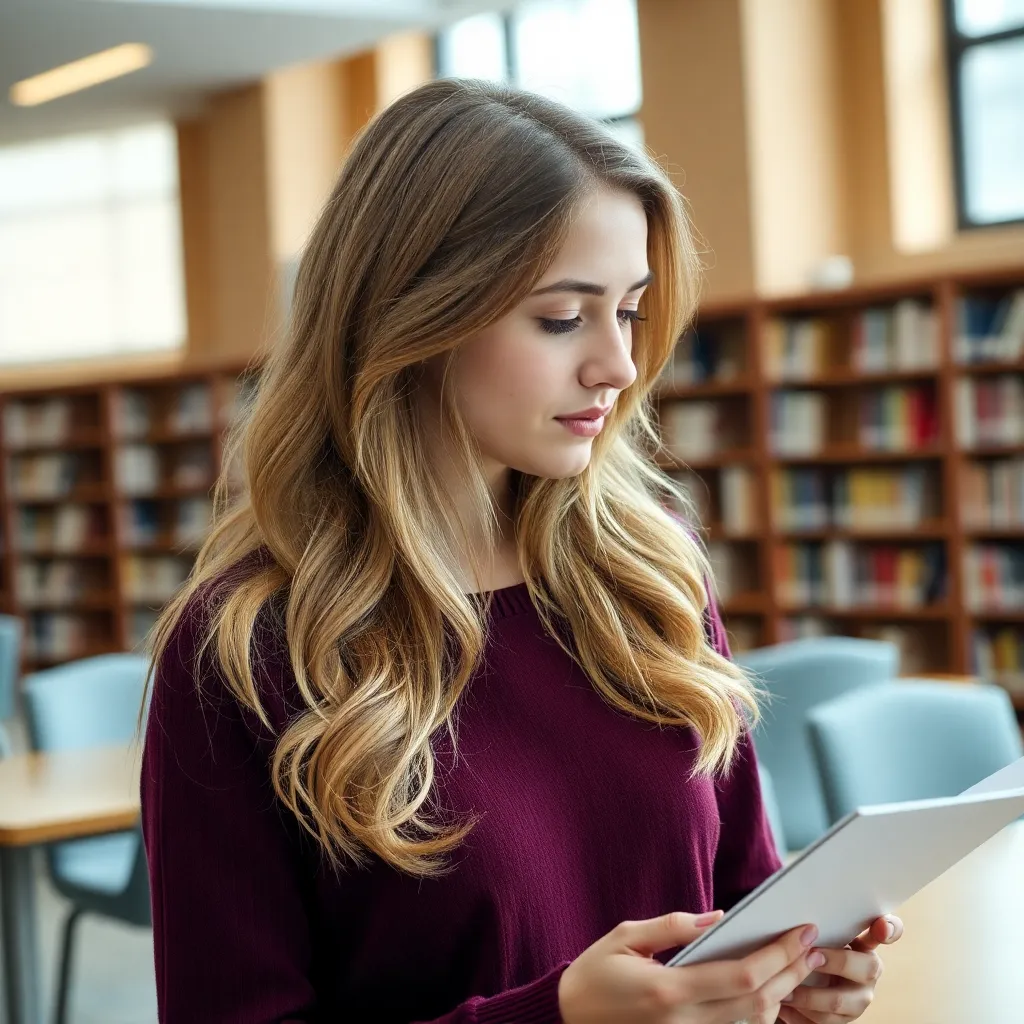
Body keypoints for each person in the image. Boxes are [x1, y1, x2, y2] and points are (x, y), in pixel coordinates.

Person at [139, 77, 903, 1023]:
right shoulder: (245, 648)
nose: (618, 365)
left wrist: (789, 976)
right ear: (414, 317)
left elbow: (740, 891)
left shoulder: (652, 573)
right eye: (562, 317)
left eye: (629, 310)